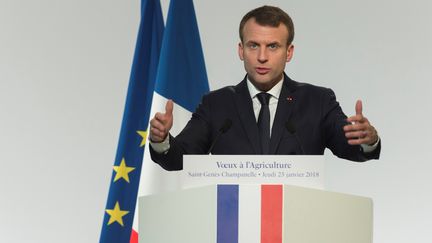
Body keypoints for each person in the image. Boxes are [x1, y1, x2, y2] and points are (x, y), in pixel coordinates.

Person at [149, 5, 380, 171]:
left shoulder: (317, 101)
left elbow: (349, 147)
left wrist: (367, 140)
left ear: (288, 52)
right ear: (241, 50)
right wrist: (161, 140)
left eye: (272, 46)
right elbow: (180, 159)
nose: (262, 57)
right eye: (253, 45)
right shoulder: (216, 105)